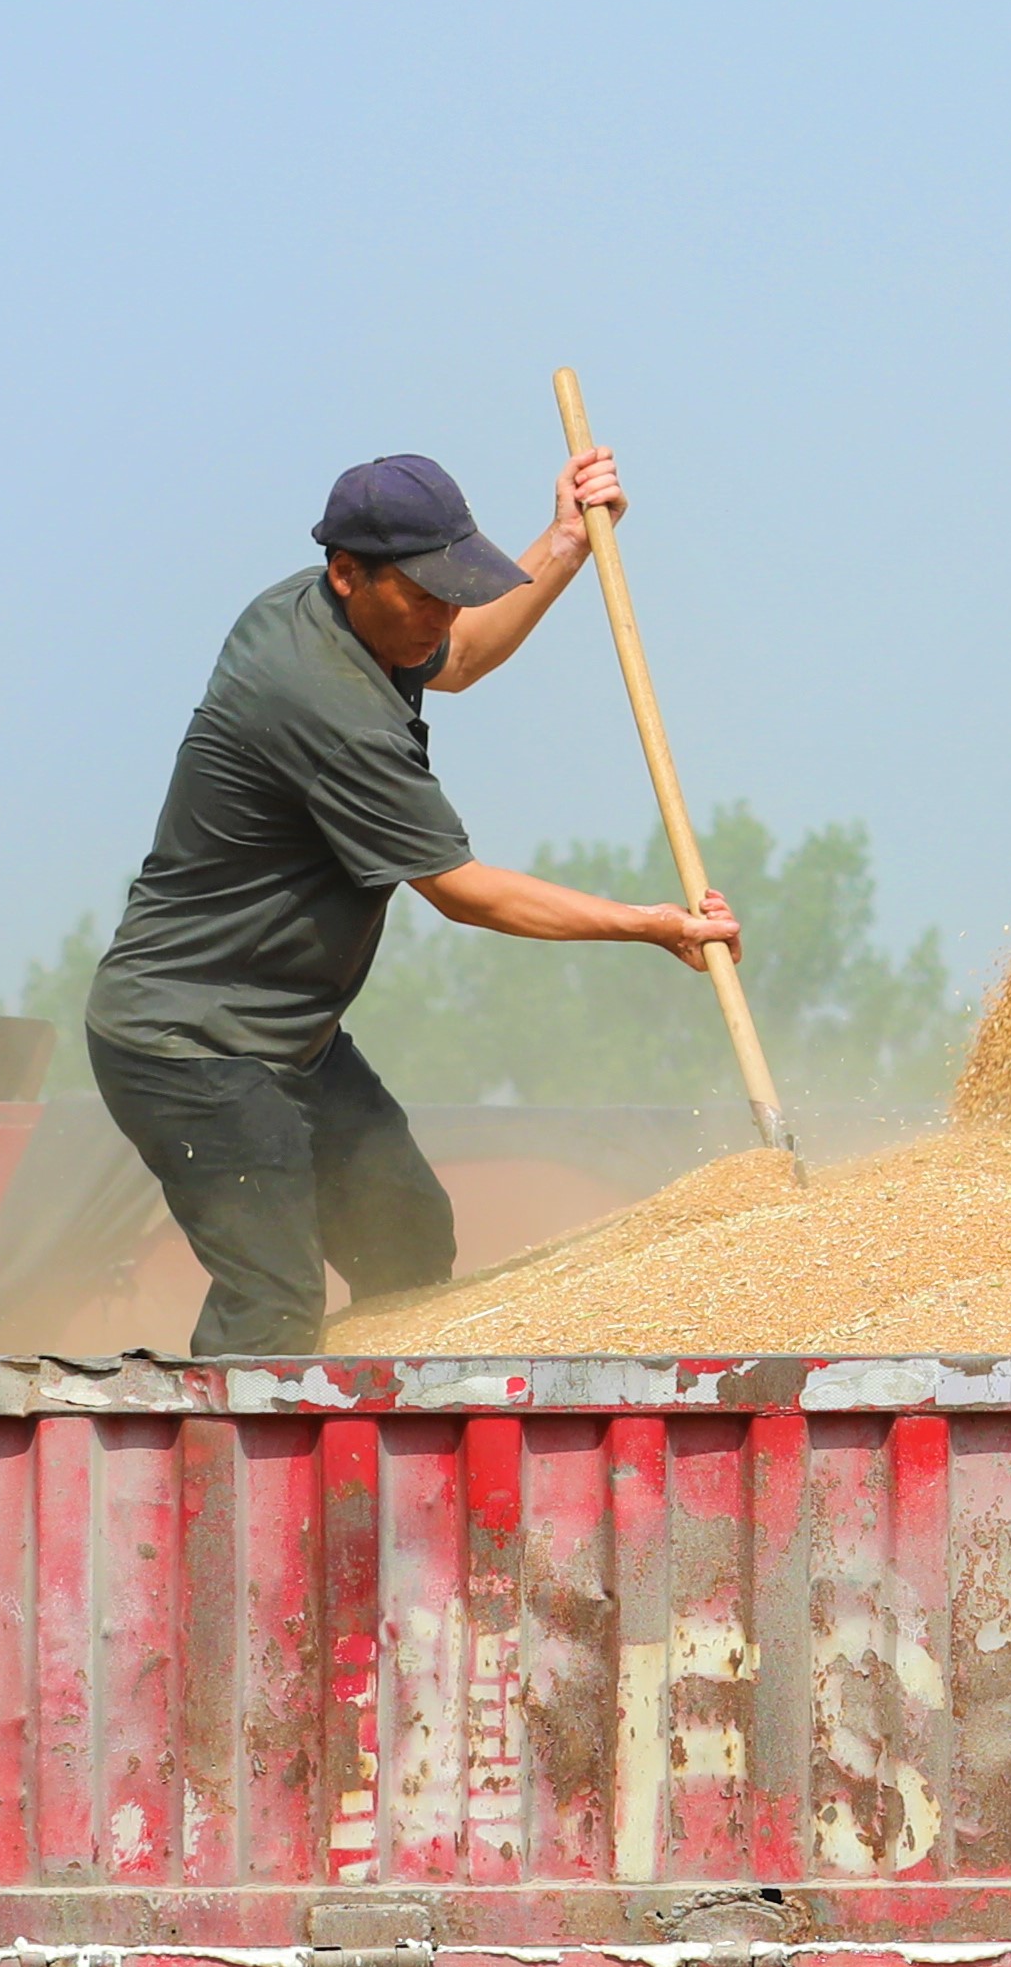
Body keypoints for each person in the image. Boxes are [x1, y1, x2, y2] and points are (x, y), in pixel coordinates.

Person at [84, 448, 740, 1353]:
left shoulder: (349, 620)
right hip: (189, 1044)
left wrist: (565, 542)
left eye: (454, 587)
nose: (444, 615)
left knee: (408, 1241)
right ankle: (211, 1479)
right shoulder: (324, 704)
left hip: (289, 1037)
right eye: (425, 594)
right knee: (274, 1301)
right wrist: (653, 925)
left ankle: (362, 1445)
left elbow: (460, 657)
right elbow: (465, 893)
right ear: (347, 573)